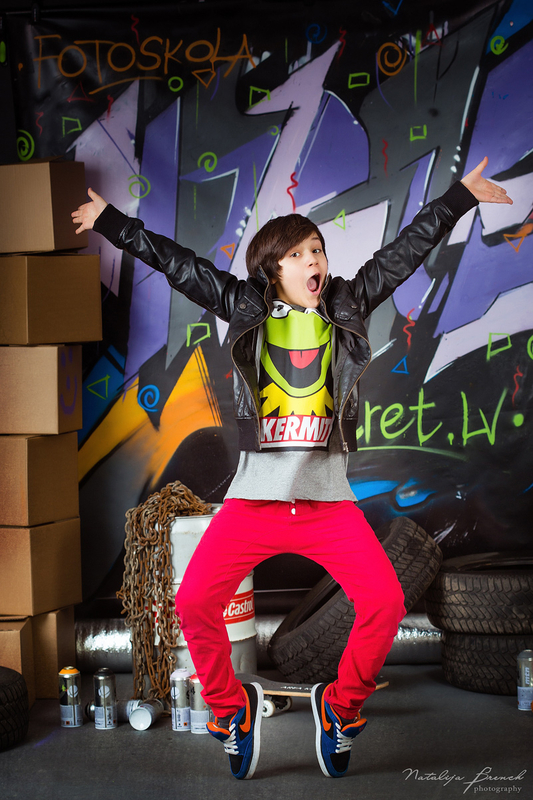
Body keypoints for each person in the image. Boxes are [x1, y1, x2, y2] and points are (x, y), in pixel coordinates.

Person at [72, 157, 512, 780]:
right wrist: (112, 222)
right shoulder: (244, 308)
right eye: (301, 253)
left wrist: (458, 198)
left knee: (384, 601)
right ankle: (233, 713)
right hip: (254, 502)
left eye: (320, 251)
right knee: (194, 602)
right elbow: (180, 265)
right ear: (272, 268)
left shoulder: (345, 304)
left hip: (327, 503)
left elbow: (403, 254)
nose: (316, 262)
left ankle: (341, 708)